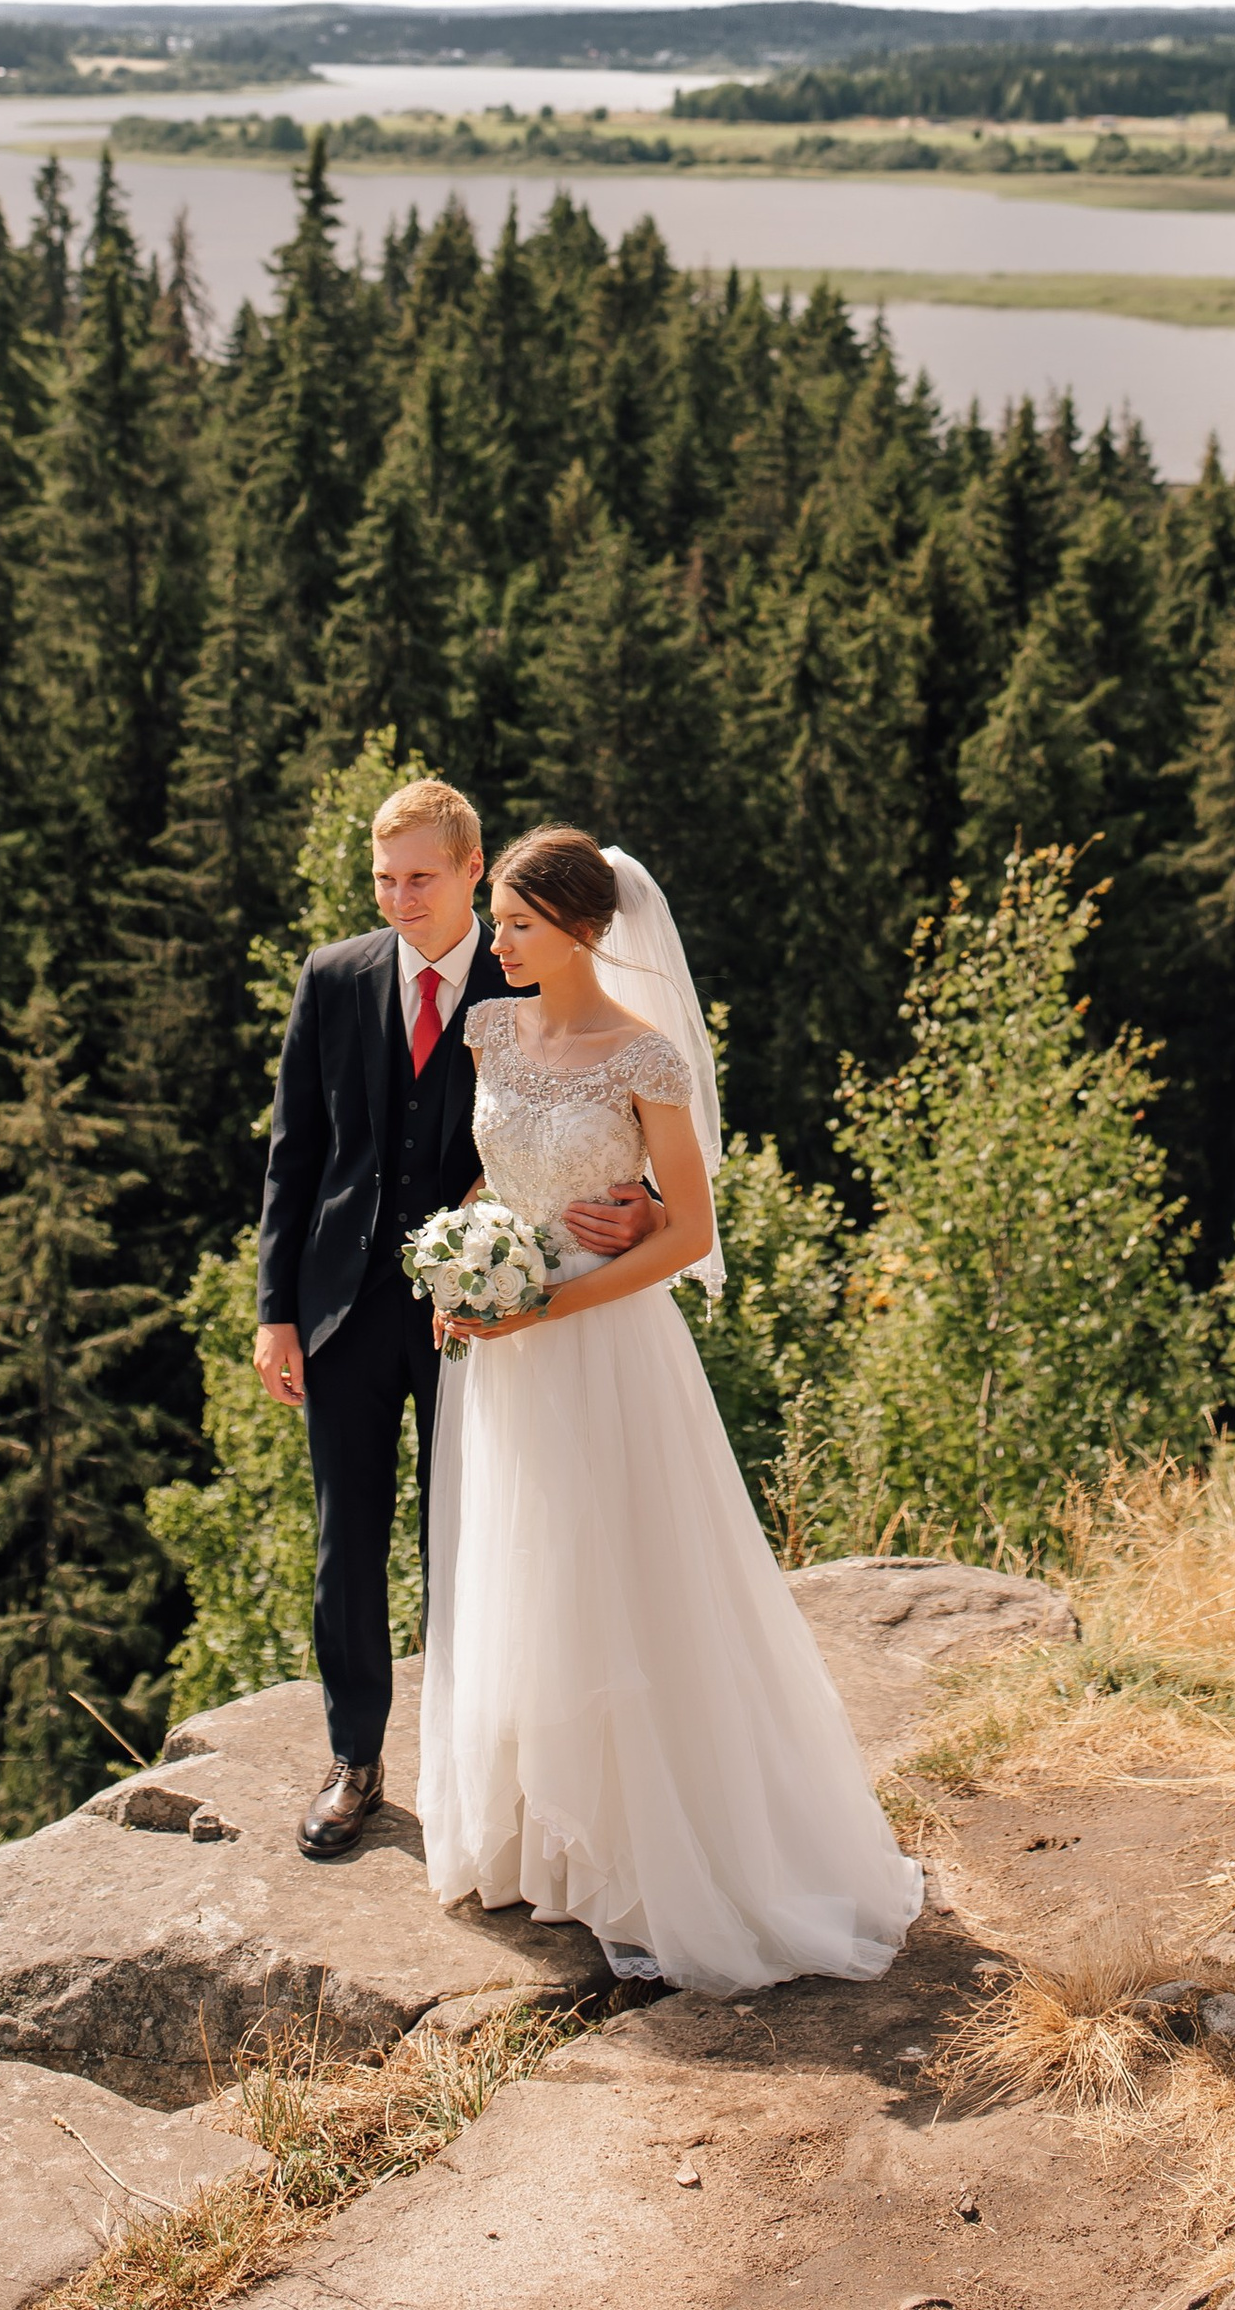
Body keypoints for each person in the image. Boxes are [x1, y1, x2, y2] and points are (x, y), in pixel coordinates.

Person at [417, 826, 922, 1991]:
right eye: (496, 918)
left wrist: (553, 1297)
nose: (495, 941)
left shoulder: (644, 1057)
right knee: (521, 1570)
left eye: (518, 923)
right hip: (504, 1343)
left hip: (601, 1347)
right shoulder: (493, 1027)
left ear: (585, 928)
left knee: (612, 1577)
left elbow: (690, 1231)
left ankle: (649, 1855)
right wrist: (465, 1256)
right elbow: (504, 1166)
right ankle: (540, 1837)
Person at [252, 779, 655, 1862]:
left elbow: (614, 1110)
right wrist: (275, 1310)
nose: (398, 898)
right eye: (382, 878)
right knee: (348, 1542)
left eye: (419, 876)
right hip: (338, 1308)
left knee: (473, 1537)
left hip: (480, 1316)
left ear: (474, 869)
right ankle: (354, 1760)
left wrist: (645, 1201)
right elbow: (295, 1153)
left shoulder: (529, 964)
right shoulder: (331, 977)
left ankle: (479, 1768)